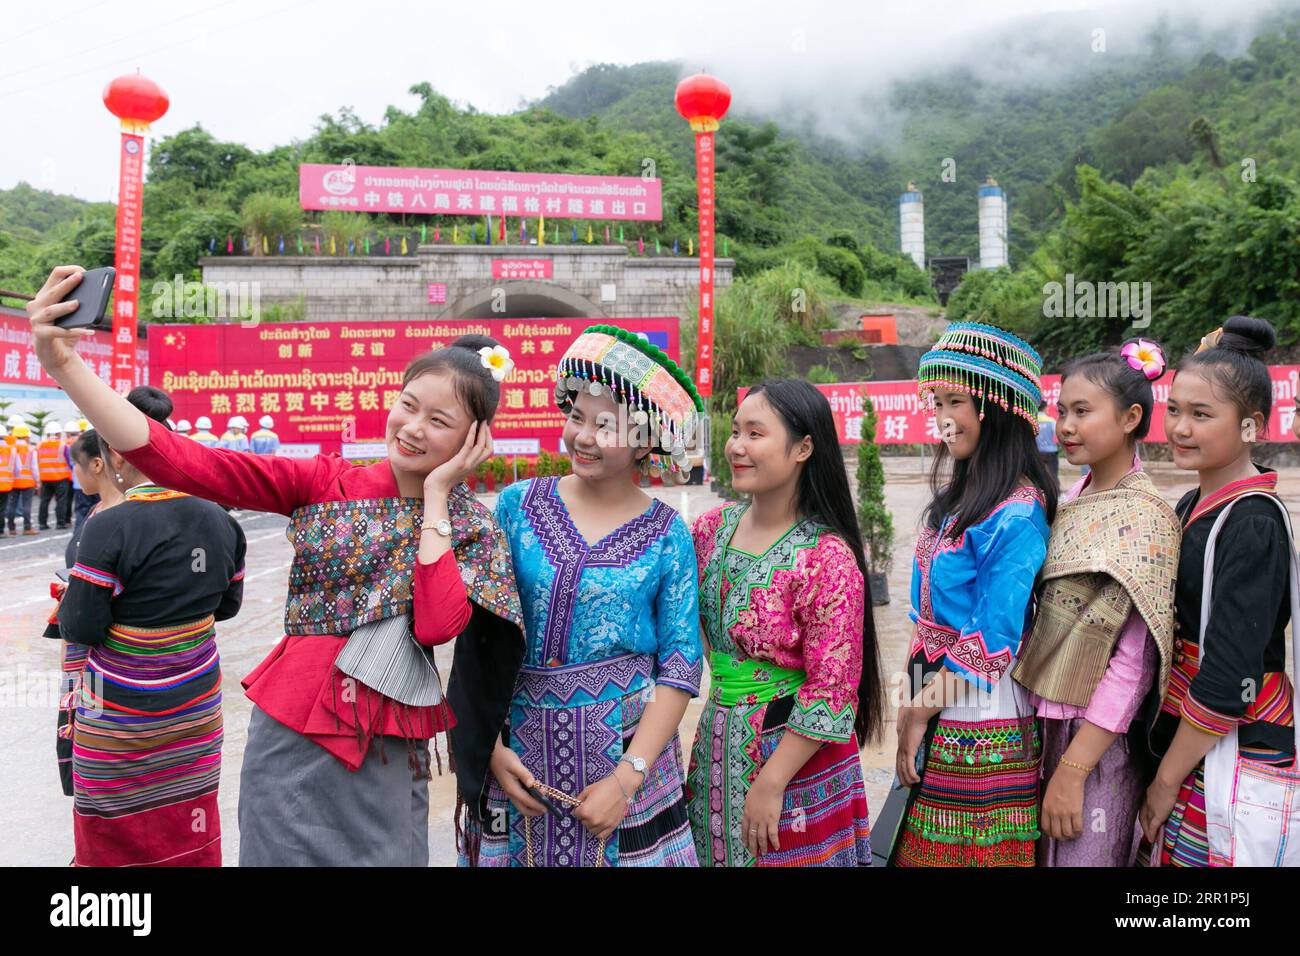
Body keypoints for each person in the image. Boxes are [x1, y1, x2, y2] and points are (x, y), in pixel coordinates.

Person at [30, 264, 526, 866]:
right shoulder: (324, 481)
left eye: (440, 421)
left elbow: (437, 626)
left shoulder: (470, 526)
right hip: (294, 737)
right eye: (407, 405)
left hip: (393, 750)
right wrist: (65, 367)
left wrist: (438, 497)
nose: (413, 428)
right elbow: (182, 462)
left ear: (475, 439)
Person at [468, 325, 703, 867]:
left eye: (607, 426)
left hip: (628, 762)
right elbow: (480, 635)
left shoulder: (668, 533)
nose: (585, 437)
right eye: (577, 417)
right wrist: (490, 749)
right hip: (518, 758)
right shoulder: (517, 506)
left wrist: (626, 780)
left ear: (647, 440)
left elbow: (680, 665)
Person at [687, 378, 883, 866]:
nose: (736, 446)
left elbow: (831, 690)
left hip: (796, 764)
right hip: (716, 741)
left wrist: (771, 783)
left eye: (756, 434)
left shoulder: (827, 558)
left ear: (803, 447)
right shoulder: (710, 530)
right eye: (735, 432)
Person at [51, 382, 246, 866]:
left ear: (116, 457)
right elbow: (227, 607)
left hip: (120, 719)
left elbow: (82, 627)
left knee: (114, 828)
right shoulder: (221, 520)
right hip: (194, 711)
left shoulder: (106, 525)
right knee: (188, 813)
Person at [891, 322, 1057, 867]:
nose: (941, 416)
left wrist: (920, 709)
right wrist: (912, 700)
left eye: (955, 401)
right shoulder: (957, 500)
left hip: (978, 712)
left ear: (999, 406)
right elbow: (927, 620)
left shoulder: (1018, 513)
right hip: (934, 689)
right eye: (936, 401)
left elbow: (992, 638)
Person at [1012, 339, 1180, 866]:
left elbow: (1133, 666)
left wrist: (1075, 769)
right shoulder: (1071, 502)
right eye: (1061, 411)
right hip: (1045, 727)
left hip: (1100, 746)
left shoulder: (1146, 517)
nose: (1065, 426)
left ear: (1131, 417)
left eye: (1083, 412)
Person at [1138, 317, 1296, 867]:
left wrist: (1163, 780)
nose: (1180, 428)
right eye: (1175, 409)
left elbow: (1228, 677)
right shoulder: (1189, 507)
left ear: (1251, 426)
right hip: (1192, 739)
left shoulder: (1252, 524)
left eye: (1201, 415)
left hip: (1226, 742)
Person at [37, 421, 73, 530]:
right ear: (58, 433)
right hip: (60, 477)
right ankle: (60, 523)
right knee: (61, 501)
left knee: (44, 501)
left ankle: (42, 524)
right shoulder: (63, 446)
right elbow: (69, 462)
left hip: (45, 478)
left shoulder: (40, 445)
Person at [6, 423, 39, 535]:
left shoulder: (11, 448)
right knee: (27, 505)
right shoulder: (31, 449)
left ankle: (11, 529)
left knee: (12, 505)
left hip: (13, 482)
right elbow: (34, 467)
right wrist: (37, 480)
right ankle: (27, 528)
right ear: (26, 436)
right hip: (28, 481)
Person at [1035, 398, 1059, 482]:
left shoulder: (1033, 421)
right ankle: (1054, 493)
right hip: (1051, 452)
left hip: (1037, 453)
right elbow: (1058, 435)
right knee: (1053, 474)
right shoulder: (1051, 421)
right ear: (1045, 408)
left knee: (1038, 476)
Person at [0, 425, 11, 538]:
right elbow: (16, 468)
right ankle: (1, 530)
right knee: (2, 508)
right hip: (5, 483)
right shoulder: (10, 449)